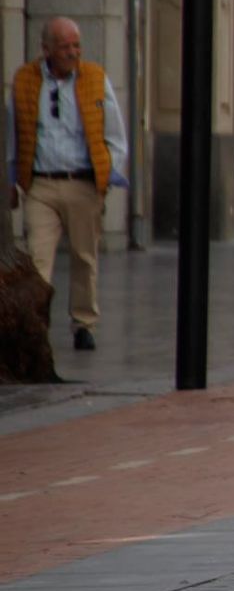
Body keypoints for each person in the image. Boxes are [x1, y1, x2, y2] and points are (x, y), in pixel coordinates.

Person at [8, 17, 128, 351]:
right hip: (41, 185)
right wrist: (11, 181)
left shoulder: (94, 79)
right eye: (65, 46)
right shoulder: (25, 81)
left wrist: (106, 176)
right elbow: (13, 136)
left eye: (77, 45)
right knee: (36, 260)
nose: (73, 52)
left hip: (83, 183)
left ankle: (83, 324)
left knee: (84, 257)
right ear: (46, 49)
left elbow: (116, 136)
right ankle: (36, 326)